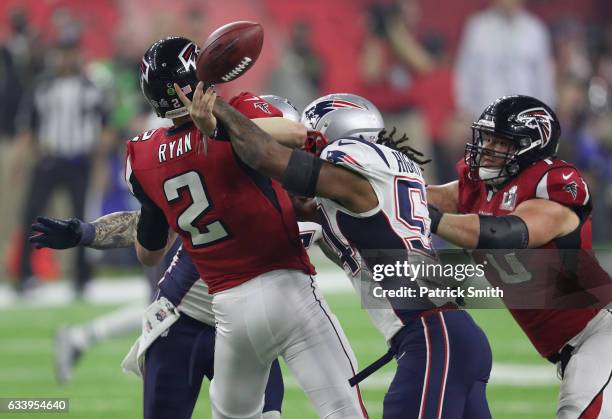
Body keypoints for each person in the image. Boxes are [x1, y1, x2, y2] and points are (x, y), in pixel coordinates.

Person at [207, 91, 492, 417]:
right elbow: (295, 210)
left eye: (309, 144)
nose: (303, 152)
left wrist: (216, 110)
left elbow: (266, 154)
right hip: (449, 334)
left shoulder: (351, 180)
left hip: (431, 337)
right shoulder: (385, 178)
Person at [125, 36, 366, 419]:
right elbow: (294, 133)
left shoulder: (142, 156)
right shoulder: (235, 116)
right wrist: (221, 120)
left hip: (230, 310)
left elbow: (148, 252)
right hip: (287, 290)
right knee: (344, 410)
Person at [425, 95, 612, 418]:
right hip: (573, 346)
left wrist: (433, 220)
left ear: (530, 146)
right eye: (487, 138)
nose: (487, 148)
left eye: (501, 141)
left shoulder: (552, 184)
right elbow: (431, 197)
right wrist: (382, 188)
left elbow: (508, 234)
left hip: (601, 332)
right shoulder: (484, 186)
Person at [12, 29, 113, 294]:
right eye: (63, 52)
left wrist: (101, 163)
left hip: (79, 161)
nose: (67, 58)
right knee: (32, 214)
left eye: (72, 52)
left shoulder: (90, 88)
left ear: (79, 54)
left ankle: (81, 277)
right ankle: (24, 273)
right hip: (48, 159)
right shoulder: (42, 86)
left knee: (82, 219)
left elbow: (105, 127)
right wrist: (22, 161)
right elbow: (29, 127)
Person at [455, 0, 555, 118]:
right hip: (485, 116)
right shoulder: (478, 28)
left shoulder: (535, 30)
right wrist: (466, 110)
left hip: (526, 120)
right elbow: (465, 75)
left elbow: (544, 80)